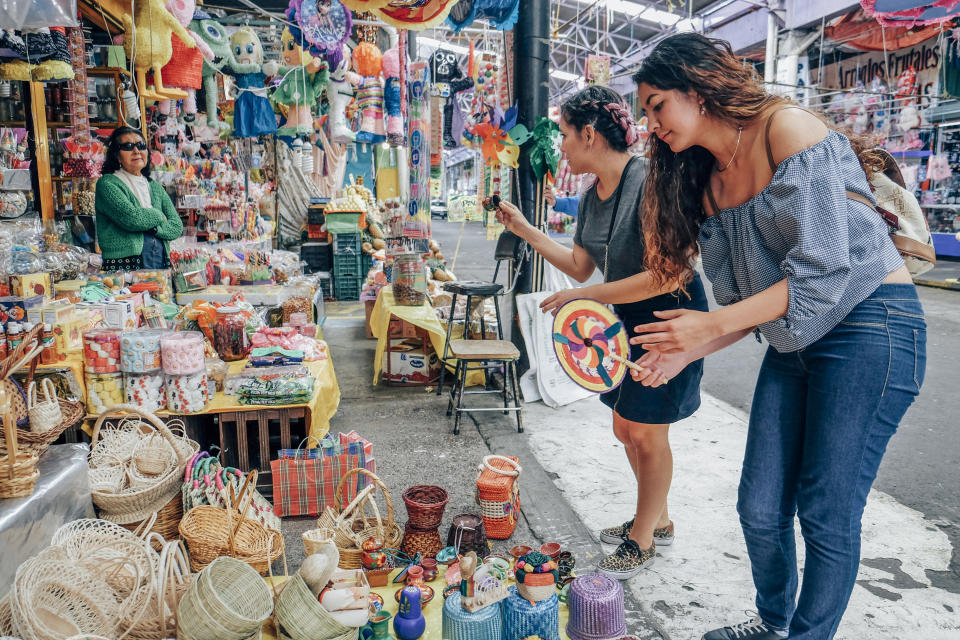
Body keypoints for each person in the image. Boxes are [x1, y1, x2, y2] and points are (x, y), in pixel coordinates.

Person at [631, 33, 925, 640]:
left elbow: (823, 270)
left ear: (696, 88)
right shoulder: (707, 184)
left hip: (872, 323)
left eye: (657, 104)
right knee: (760, 508)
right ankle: (773, 622)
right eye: (645, 112)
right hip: (797, 340)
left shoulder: (785, 128)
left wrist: (705, 326)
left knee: (825, 509)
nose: (651, 123)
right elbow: (746, 311)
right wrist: (684, 350)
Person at [495, 85, 709, 579]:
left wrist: (586, 296)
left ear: (589, 134)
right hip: (625, 321)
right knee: (623, 426)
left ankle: (643, 539)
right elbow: (580, 264)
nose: (562, 147)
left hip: (670, 320)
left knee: (646, 433)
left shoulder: (648, 181)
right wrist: (526, 228)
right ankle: (659, 518)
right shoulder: (592, 197)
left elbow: (668, 273)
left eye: (566, 135)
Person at [95, 126, 183, 270]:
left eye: (141, 146)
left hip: (159, 260)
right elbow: (133, 218)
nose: (136, 151)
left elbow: (176, 226)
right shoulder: (107, 183)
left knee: (159, 293)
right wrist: (160, 215)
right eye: (128, 146)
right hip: (124, 266)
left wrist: (153, 229)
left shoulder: (154, 186)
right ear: (117, 155)